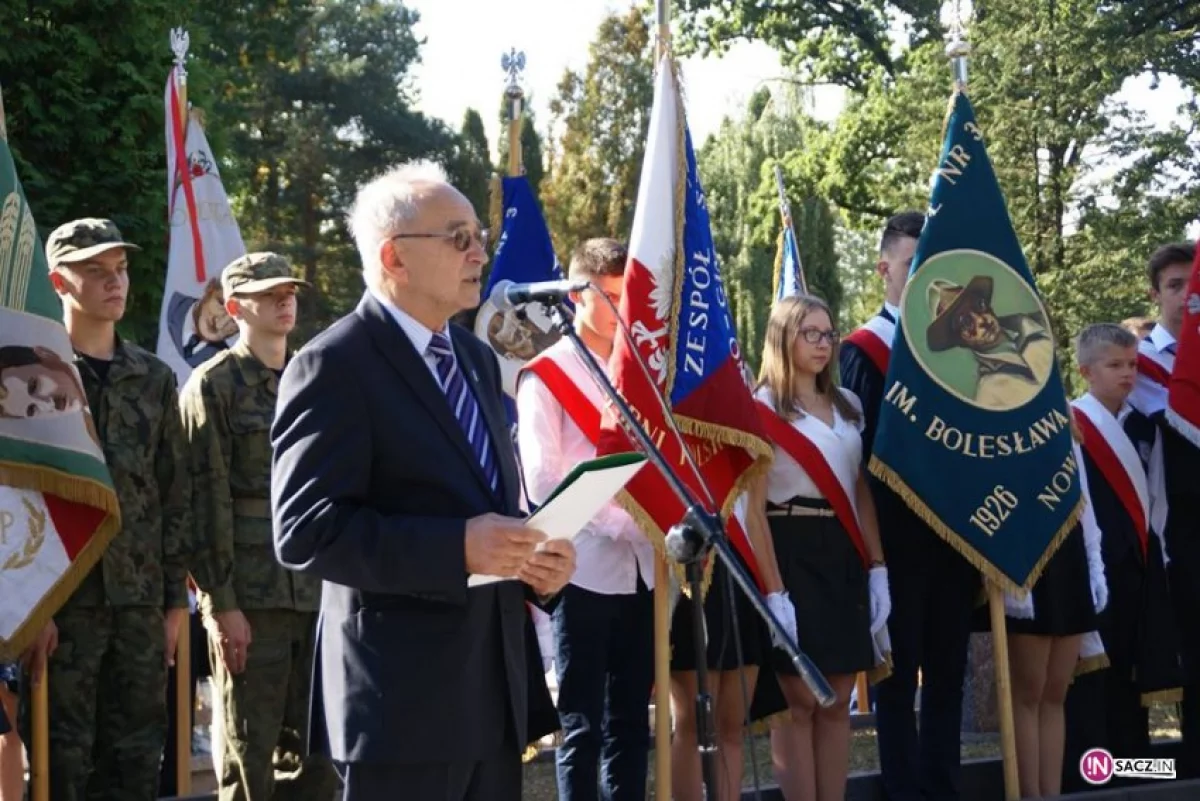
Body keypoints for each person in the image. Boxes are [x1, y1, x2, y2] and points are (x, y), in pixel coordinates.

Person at [270, 160, 576, 801]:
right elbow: (305, 533)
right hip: (399, 705)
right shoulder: (332, 365)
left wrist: (532, 557)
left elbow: (484, 500)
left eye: (479, 235)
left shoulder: (470, 354)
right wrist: (457, 547)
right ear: (395, 258)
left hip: (490, 691)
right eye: (458, 237)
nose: (478, 253)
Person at [34, 218, 192, 801]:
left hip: (140, 602)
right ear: (58, 281)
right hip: (62, 604)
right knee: (62, 760)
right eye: (95, 271)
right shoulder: (32, 373)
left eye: (120, 269)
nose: (114, 281)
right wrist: (30, 608)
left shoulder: (153, 378)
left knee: (137, 758)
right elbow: (18, 500)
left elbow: (174, 494)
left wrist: (175, 603)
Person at [181, 253, 338, 801]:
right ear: (234, 307)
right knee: (250, 756)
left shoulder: (317, 377)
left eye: (289, 290)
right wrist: (221, 605)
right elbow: (205, 500)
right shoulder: (213, 386)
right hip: (251, 596)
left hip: (320, 590)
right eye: (269, 293)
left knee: (323, 753)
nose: (284, 300)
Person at [840, 211, 980, 801]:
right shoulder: (863, 350)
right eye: (912, 264)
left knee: (950, 674)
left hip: (958, 536)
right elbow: (862, 456)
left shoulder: (965, 350)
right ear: (885, 270)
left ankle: (943, 788)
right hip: (897, 541)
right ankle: (903, 792)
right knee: (897, 679)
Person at [515, 238, 656, 801]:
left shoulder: (639, 370)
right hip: (581, 570)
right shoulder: (545, 375)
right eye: (614, 296)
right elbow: (542, 479)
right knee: (582, 724)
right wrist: (620, 521)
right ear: (578, 294)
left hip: (642, 568)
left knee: (630, 720)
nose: (625, 311)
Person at [748, 294, 890, 801]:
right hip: (790, 549)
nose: (824, 344)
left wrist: (877, 569)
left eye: (829, 333)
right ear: (783, 337)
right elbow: (753, 510)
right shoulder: (760, 408)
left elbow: (860, 492)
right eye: (811, 332)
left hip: (844, 551)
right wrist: (774, 593)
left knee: (836, 702)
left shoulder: (847, 405)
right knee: (799, 701)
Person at [1062, 323, 1181, 792]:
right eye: (1115, 366)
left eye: (1132, 365)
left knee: (1135, 683)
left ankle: (1138, 774)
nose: (1128, 375)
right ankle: (1091, 780)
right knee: (1093, 686)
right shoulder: (1071, 422)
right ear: (1085, 371)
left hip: (1138, 569)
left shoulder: (1145, 424)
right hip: (1092, 573)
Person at [1128, 241, 1199, 777]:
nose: (1185, 296)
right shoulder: (1137, 366)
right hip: (1168, 532)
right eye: (1174, 286)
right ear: (1155, 294)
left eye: (1191, 286)